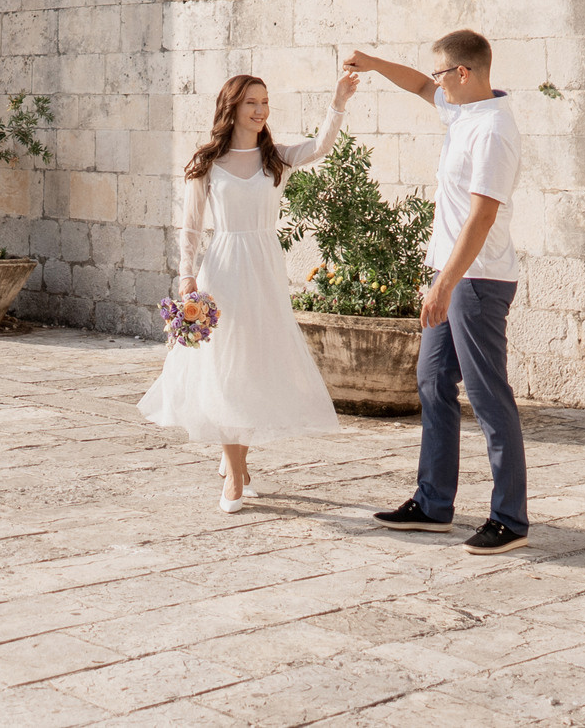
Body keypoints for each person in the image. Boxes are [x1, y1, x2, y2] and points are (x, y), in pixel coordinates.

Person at [139, 68, 360, 511]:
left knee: (252, 367)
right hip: (222, 272)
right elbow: (191, 227)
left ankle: (235, 462)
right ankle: (236, 476)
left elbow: (321, 146)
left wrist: (338, 100)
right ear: (232, 107)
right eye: (251, 103)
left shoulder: (275, 158)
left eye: (264, 102)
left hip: (264, 271)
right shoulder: (207, 162)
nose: (260, 110)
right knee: (225, 367)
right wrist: (186, 277)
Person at [344, 30, 528, 554]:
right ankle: (433, 504)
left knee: (488, 395)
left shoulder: (493, 130)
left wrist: (444, 284)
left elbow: (482, 216)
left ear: (463, 73)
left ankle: (510, 519)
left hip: (478, 280)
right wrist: (373, 63)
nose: (436, 83)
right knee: (431, 380)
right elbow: (420, 86)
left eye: (443, 73)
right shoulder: (462, 110)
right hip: (452, 276)